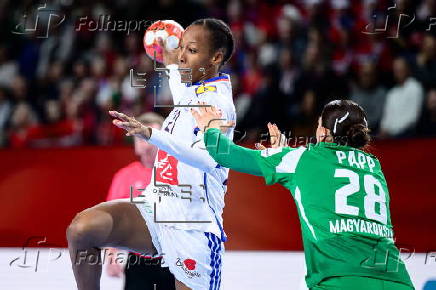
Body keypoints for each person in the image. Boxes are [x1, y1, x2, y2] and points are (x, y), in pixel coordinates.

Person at [66, 18, 236, 290]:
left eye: (191, 51)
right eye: (181, 47)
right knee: (82, 229)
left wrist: (151, 134)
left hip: (193, 226)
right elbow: (181, 87)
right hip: (157, 209)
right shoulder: (196, 88)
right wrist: (169, 58)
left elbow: (208, 157)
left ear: (215, 57)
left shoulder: (218, 104)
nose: (182, 56)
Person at [190, 100, 414, 290]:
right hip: (397, 280)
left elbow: (226, 154)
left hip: (338, 280)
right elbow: (322, 190)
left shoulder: (300, 159)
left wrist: (210, 130)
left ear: (324, 133)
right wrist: (284, 155)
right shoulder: (374, 167)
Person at [104, 112, 175, 290]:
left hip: (174, 258)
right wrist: (112, 256)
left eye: (149, 137)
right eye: (139, 137)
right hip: (138, 259)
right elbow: (113, 219)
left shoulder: (178, 174)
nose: (145, 143)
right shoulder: (125, 176)